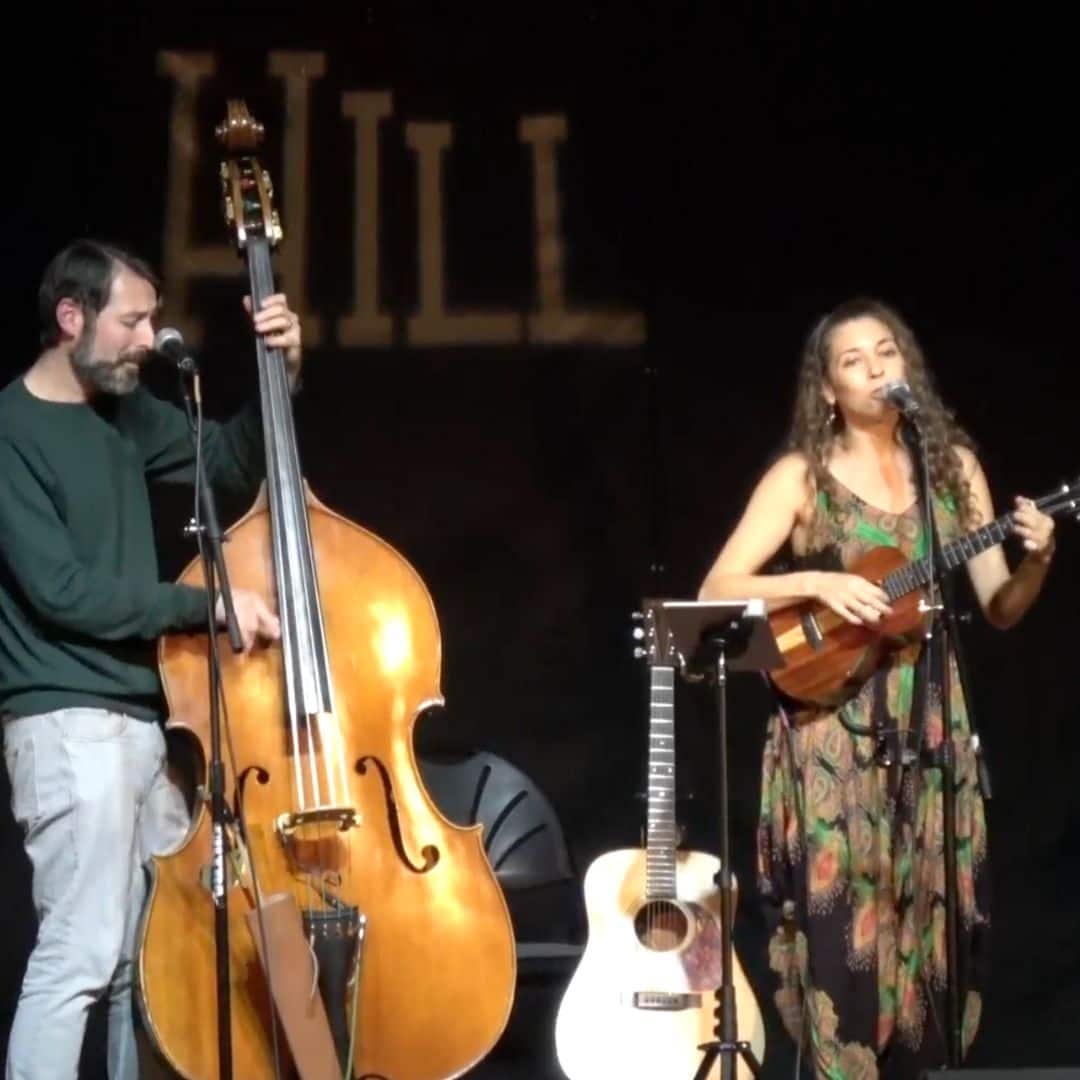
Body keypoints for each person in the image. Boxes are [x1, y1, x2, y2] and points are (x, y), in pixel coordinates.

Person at [697, 298, 1056, 1078]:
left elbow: (998, 606)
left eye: (886, 353)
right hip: (832, 727)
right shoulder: (804, 474)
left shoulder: (952, 468)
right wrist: (822, 581)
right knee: (844, 931)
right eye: (853, 360)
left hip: (927, 721)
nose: (874, 370)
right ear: (826, 388)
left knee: (931, 919)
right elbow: (718, 585)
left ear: (908, 369)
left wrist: (1036, 559)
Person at [0, 239, 303, 1079]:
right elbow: (65, 592)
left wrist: (280, 369)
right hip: (66, 725)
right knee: (80, 954)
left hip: (142, 726)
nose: (149, 339)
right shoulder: (10, 432)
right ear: (71, 318)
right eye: (132, 320)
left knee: (148, 963)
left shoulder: (123, 411)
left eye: (152, 319)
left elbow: (233, 465)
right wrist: (204, 607)